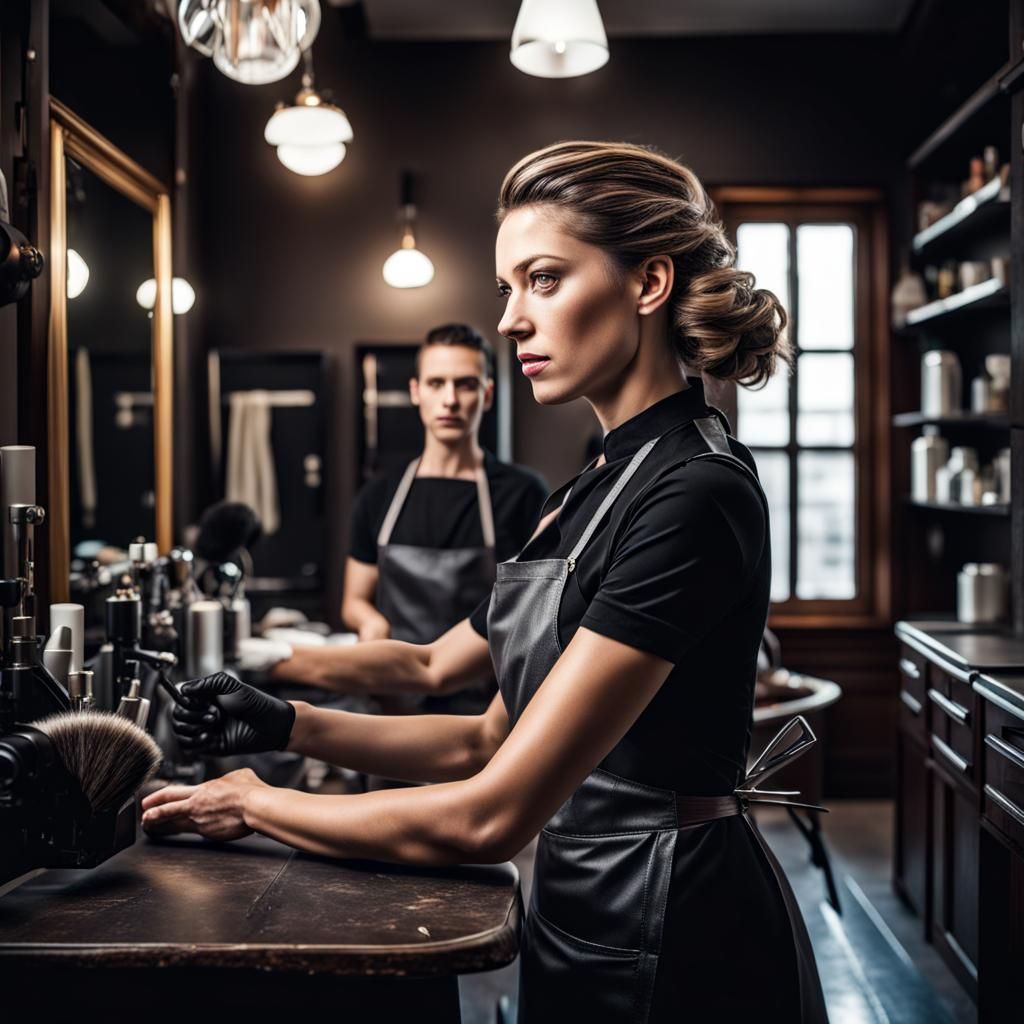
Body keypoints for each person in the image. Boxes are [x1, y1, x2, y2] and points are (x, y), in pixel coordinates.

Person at [142, 140, 828, 1022]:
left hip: (676, 923)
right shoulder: (590, 489)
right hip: (580, 902)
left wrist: (257, 801)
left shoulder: (696, 491)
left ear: (648, 283)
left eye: (543, 279)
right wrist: (288, 719)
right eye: (507, 289)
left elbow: (489, 816)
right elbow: (481, 738)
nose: (510, 320)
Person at [341, 323, 546, 714]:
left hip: (484, 703)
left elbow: (532, 610)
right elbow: (354, 600)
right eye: (437, 384)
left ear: (486, 395)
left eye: (465, 384)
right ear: (416, 392)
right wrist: (371, 626)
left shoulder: (523, 494)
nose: (449, 400)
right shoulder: (378, 496)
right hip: (393, 698)